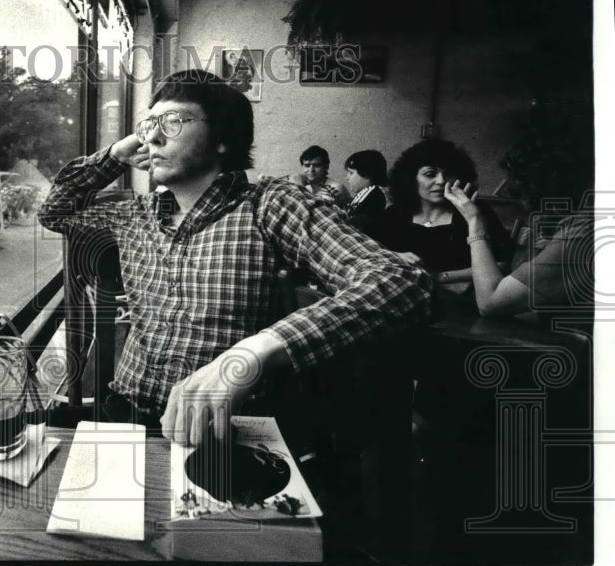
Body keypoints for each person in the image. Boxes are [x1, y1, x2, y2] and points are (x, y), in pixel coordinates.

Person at [39, 69, 433, 447]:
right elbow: (53, 211)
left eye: (172, 122)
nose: (153, 138)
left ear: (222, 138)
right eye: (147, 126)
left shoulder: (268, 204)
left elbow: (401, 282)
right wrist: (115, 154)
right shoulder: (133, 214)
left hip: (228, 429)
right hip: (124, 415)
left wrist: (254, 352)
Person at [443, 123, 593, 318]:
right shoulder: (576, 220)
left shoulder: (584, 228)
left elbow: (491, 303)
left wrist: (474, 221)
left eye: (520, 188)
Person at [375, 138, 506, 292]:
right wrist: (396, 257)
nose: (441, 181)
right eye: (430, 174)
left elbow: (502, 264)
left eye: (449, 173)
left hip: (463, 302)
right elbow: (371, 253)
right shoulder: (395, 214)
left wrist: (440, 277)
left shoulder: (474, 212)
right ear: (411, 178)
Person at [284, 145, 351, 207]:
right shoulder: (306, 187)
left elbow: (314, 212)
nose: (311, 170)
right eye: (307, 165)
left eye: (316, 165)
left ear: (326, 166)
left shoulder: (335, 187)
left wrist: (299, 186)